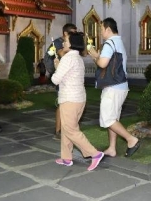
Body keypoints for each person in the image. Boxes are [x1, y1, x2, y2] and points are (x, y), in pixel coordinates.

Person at [87, 18, 141, 158]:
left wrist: (94, 55)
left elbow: (103, 64)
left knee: (108, 119)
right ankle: (112, 148)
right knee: (113, 118)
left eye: (101, 29)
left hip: (113, 87)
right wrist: (98, 57)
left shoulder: (109, 43)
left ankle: (131, 140)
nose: (100, 32)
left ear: (108, 29)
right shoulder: (118, 42)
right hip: (120, 86)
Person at [51, 31, 104, 170]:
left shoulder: (68, 58)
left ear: (73, 43)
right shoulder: (78, 58)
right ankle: (66, 158)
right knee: (68, 128)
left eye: (66, 41)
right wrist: (59, 66)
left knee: (70, 129)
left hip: (69, 99)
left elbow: (56, 79)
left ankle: (94, 154)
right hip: (79, 98)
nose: (63, 43)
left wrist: (57, 68)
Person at [46, 23, 77, 140]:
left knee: (69, 103)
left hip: (69, 77)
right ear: (65, 33)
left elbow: (83, 53)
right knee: (61, 104)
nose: (74, 35)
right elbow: (61, 53)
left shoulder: (71, 43)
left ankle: (67, 127)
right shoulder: (59, 42)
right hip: (60, 75)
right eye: (72, 33)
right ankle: (58, 130)